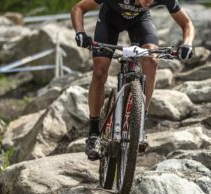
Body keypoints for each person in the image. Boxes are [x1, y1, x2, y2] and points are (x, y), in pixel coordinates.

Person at [71, 0, 195, 160]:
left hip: (140, 22)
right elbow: (78, 8)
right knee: (100, 71)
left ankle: (140, 122)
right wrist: (80, 33)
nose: (150, 2)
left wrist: (187, 44)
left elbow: (186, 23)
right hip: (110, 21)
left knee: (151, 60)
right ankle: (94, 134)